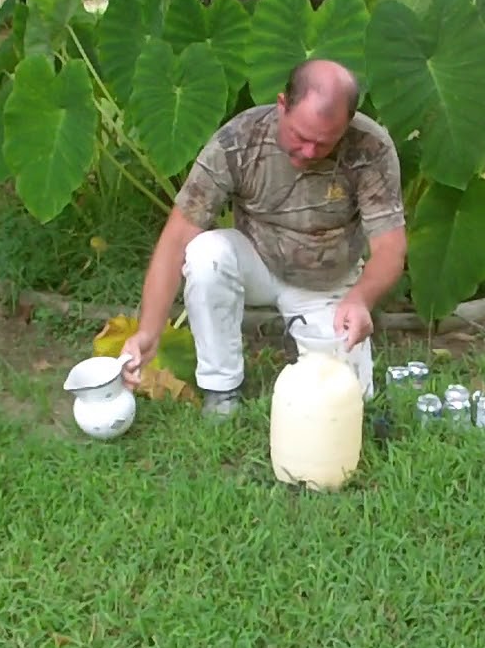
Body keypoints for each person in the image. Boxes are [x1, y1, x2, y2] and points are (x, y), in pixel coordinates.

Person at [119, 58, 407, 418]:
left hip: (328, 280)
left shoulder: (371, 147)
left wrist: (361, 298)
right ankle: (221, 388)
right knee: (206, 254)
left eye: (323, 144)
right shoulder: (239, 139)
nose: (309, 152)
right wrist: (149, 331)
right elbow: (177, 236)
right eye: (300, 137)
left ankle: (319, 349)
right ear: (282, 105)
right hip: (257, 261)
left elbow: (390, 248)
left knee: (350, 401)